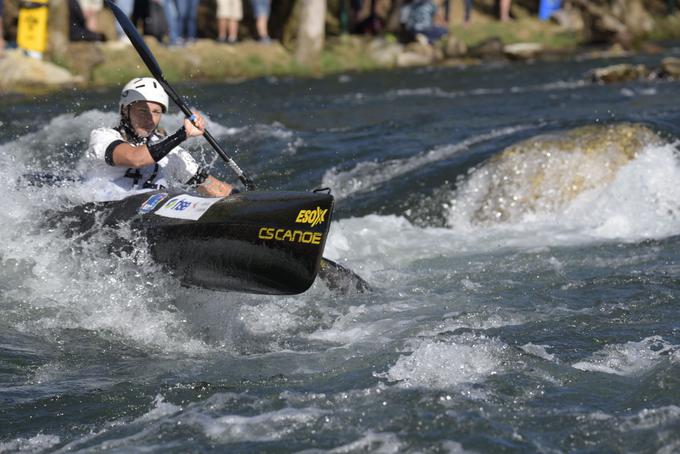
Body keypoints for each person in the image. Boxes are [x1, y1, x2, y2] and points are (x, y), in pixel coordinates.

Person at [82, 77, 233, 201]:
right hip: (101, 218)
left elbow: (216, 188)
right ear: (125, 110)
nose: (150, 118)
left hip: (148, 219)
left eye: (156, 112)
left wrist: (248, 199)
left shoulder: (172, 152)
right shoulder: (103, 137)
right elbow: (136, 158)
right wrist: (182, 134)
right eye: (142, 110)